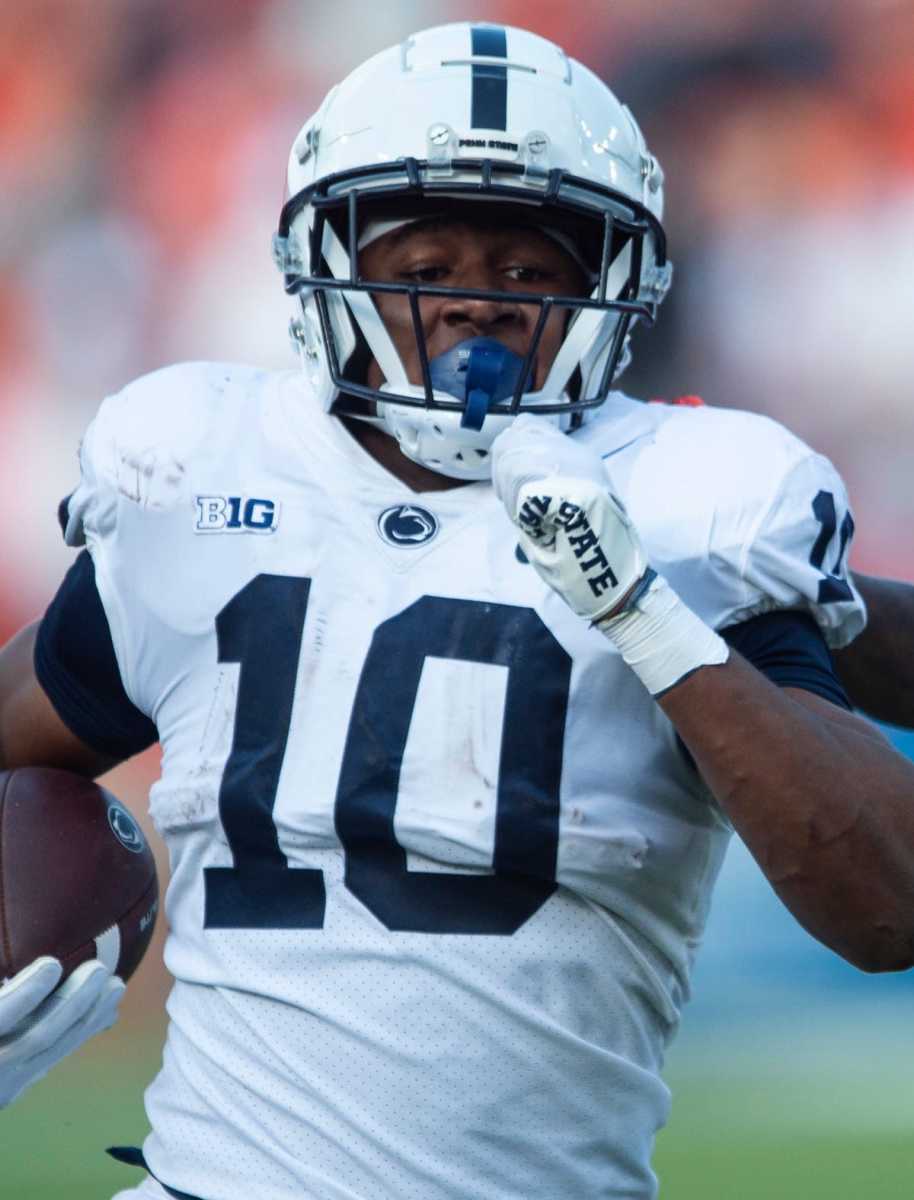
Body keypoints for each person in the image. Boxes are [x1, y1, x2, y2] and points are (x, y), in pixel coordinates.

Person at [0, 22, 913, 1200]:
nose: (475, 307)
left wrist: (639, 610)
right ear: (323, 261)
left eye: (529, 271)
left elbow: (884, 904)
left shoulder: (690, 504)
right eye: (423, 267)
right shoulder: (203, 473)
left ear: (613, 281)